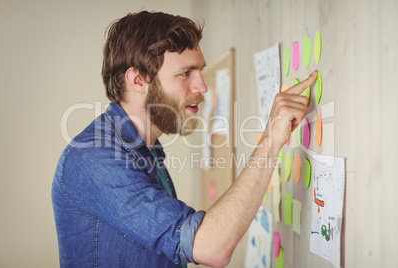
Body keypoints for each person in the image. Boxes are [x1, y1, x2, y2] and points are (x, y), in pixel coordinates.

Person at [51, 10, 317, 268]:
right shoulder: (94, 158)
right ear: (137, 80)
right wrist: (270, 140)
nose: (202, 87)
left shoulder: (148, 150)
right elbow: (209, 247)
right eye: (185, 73)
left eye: (200, 71)